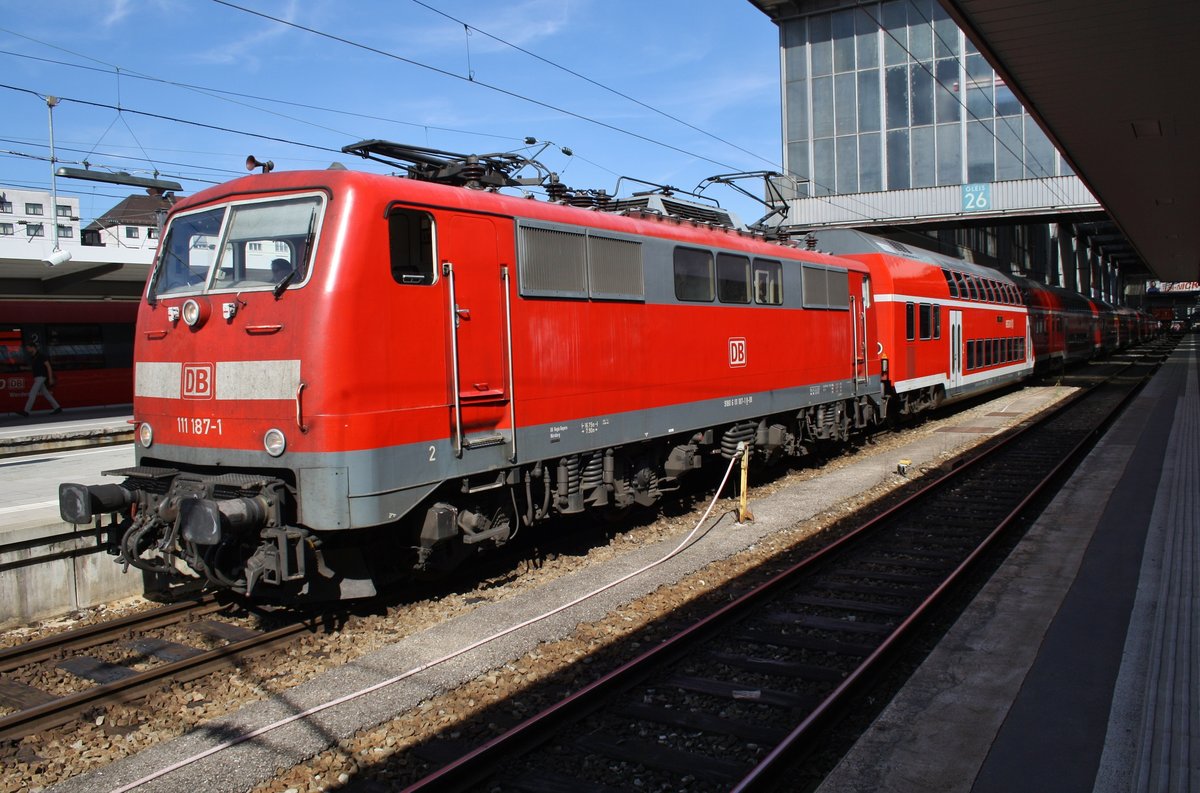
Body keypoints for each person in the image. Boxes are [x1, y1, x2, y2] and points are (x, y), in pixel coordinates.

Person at [19, 342, 61, 417]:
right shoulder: (33, 357)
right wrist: (24, 368)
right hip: (38, 377)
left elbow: (48, 366)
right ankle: (57, 407)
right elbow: (34, 368)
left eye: (28, 348)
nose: (27, 349)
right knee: (46, 394)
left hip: (41, 377)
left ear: (33, 347)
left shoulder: (41, 356)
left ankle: (26, 411)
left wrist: (50, 378)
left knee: (32, 393)